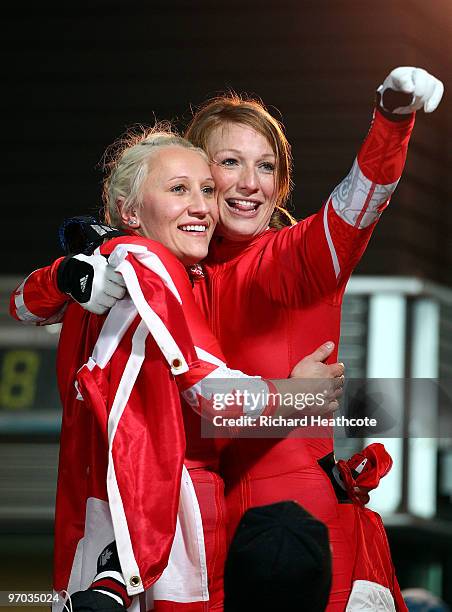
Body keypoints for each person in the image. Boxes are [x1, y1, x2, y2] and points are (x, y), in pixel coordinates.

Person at [10, 66, 444, 610]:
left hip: (290, 521)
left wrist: (391, 122)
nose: (249, 182)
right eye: (228, 165)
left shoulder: (297, 257)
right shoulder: (165, 270)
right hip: (192, 522)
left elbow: (360, 202)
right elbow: (28, 304)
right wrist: (69, 278)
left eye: (265, 166)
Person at [11, 128, 343, 612]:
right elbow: (211, 394)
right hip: (162, 527)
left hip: (94, 526)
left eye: (206, 190)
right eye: (178, 189)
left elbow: (21, 305)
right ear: (129, 211)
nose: (202, 207)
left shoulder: (99, 269)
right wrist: (299, 394)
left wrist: (63, 274)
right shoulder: (149, 263)